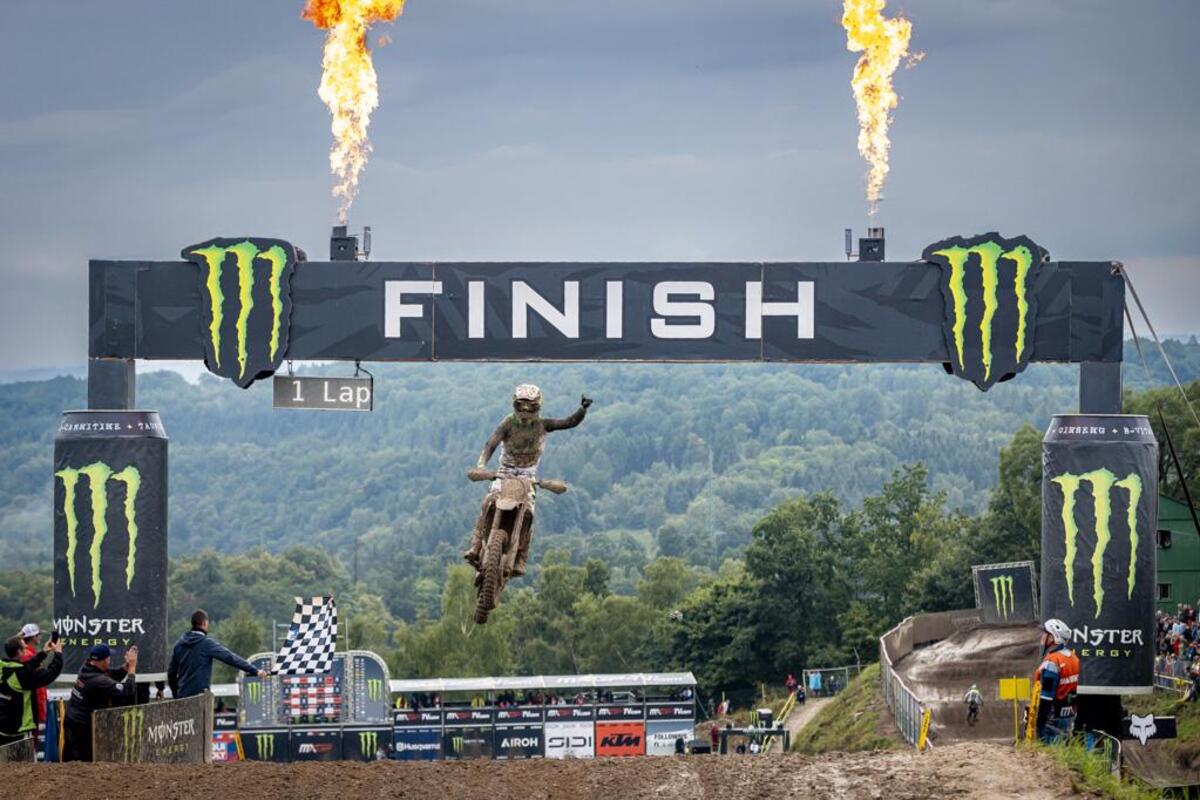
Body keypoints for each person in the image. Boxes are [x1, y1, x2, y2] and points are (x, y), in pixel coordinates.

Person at [465, 385, 591, 575]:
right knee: (488, 502)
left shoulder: (542, 424)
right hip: (505, 470)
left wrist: (582, 410)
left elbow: (568, 422)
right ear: (514, 405)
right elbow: (491, 443)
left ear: (537, 407)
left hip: (528, 473)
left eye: (529, 407)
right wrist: (481, 465)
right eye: (521, 406)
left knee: (529, 511)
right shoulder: (508, 423)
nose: (525, 411)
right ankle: (475, 545)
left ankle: (521, 557)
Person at [168, 610, 269, 699]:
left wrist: (176, 696)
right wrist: (254, 670)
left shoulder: (179, 644)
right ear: (204, 623)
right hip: (199, 697)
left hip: (182, 696)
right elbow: (230, 657)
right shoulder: (206, 643)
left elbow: (171, 673)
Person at [62, 643, 136, 761]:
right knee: (83, 763)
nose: (110, 660)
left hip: (71, 721)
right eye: (108, 658)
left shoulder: (86, 667)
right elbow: (128, 690)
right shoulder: (98, 681)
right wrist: (132, 668)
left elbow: (110, 675)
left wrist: (125, 667)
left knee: (70, 760)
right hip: (82, 729)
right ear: (104, 661)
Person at [0, 635, 63, 746]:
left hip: (3, 725)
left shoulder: (5, 667)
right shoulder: (21, 676)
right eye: (24, 648)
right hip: (18, 730)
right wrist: (58, 654)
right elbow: (50, 674)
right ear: (19, 652)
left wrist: (44, 653)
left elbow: (26, 668)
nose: (26, 648)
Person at [1033, 618, 1080, 744]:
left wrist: (1039, 723)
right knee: (1063, 747)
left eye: (1045, 633)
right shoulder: (1073, 658)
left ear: (1053, 637)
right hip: (1068, 715)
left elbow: (1046, 697)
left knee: (1048, 750)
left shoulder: (1052, 662)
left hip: (1052, 718)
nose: (1042, 636)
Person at [16, 624, 49, 744]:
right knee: (31, 741)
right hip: (32, 705)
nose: (40, 637)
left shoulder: (29, 654)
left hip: (32, 704)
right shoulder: (28, 655)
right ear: (32, 637)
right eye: (38, 634)